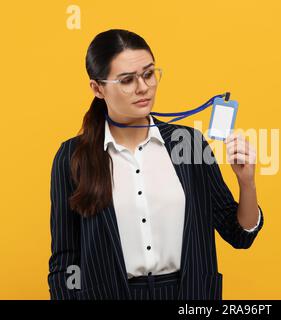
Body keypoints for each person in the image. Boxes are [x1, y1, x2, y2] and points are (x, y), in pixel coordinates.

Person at [48, 29, 264, 300]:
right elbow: (65, 259)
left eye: (149, 74)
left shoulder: (189, 144)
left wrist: (247, 183)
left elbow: (239, 234)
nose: (143, 88)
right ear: (97, 88)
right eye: (127, 80)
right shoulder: (72, 157)